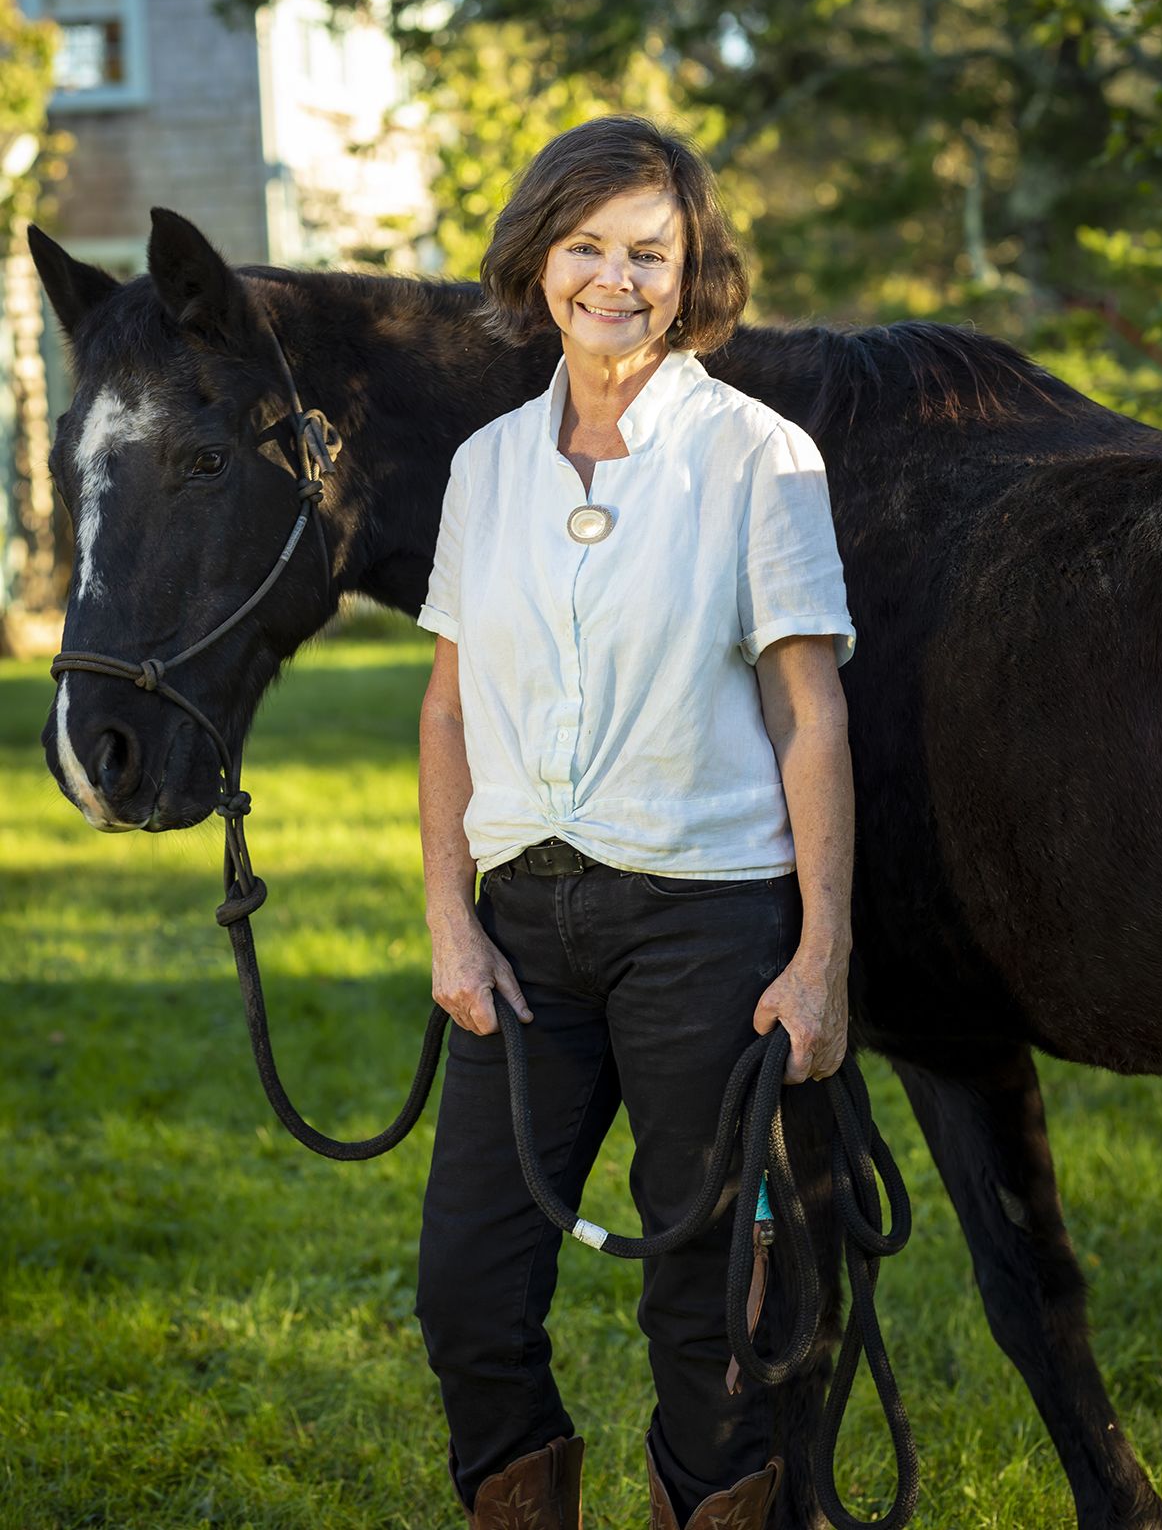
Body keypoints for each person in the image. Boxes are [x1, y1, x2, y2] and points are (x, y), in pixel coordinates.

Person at [416, 115, 856, 1529]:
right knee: (469, 1295)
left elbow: (810, 713)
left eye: (650, 252)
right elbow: (445, 711)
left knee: (713, 1309)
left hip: (705, 923)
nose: (618, 278)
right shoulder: (484, 466)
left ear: (693, 269)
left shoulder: (756, 456)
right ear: (540, 257)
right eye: (588, 245)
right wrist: (449, 922)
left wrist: (821, 956)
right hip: (521, 933)